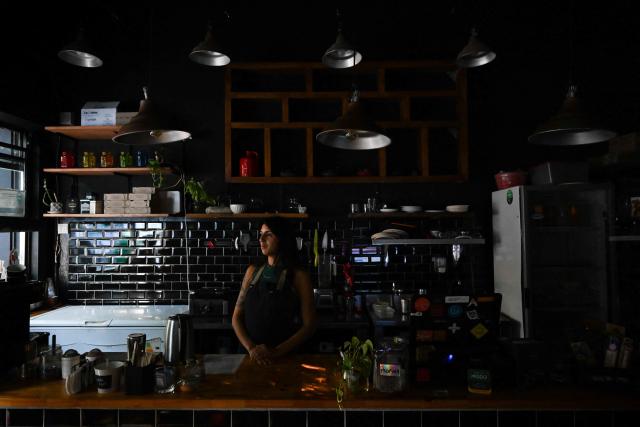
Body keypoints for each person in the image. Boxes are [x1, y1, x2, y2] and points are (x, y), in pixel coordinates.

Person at [232, 217, 316, 365]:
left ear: (282, 238)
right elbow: (236, 318)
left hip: (284, 359)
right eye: (261, 234)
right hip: (249, 357)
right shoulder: (251, 272)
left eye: (268, 234)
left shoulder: (299, 276)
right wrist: (251, 348)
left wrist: (276, 352)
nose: (261, 238)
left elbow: (309, 326)